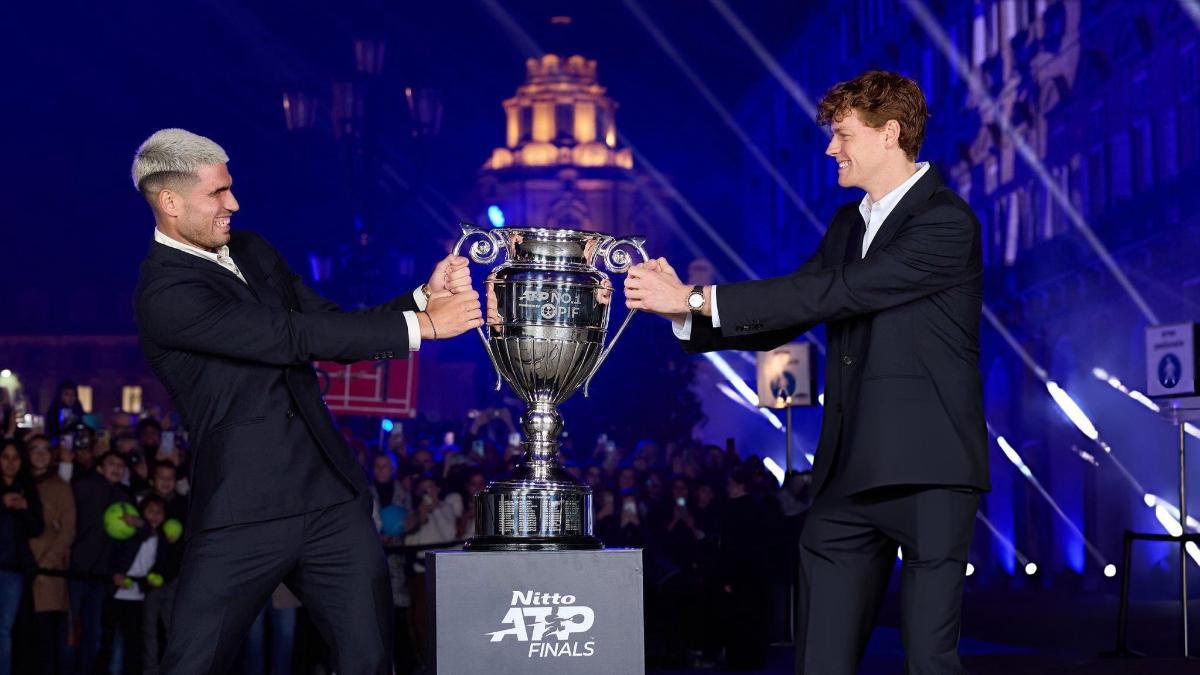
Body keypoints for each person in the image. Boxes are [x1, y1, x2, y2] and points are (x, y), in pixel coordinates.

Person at [626, 70, 987, 674]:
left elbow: (839, 294)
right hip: (846, 473)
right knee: (818, 658)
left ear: (889, 133)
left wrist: (695, 299)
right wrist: (686, 313)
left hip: (929, 470)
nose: (829, 149)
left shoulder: (947, 222)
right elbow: (797, 302)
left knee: (929, 658)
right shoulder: (849, 224)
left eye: (842, 135)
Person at [130, 128, 482, 674]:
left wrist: (420, 297)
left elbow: (329, 327)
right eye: (218, 193)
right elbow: (288, 338)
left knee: (369, 660)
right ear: (170, 202)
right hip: (243, 509)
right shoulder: (165, 295)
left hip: (331, 499)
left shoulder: (251, 248)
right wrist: (425, 327)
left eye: (232, 188)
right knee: (191, 665)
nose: (234, 203)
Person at [28, 435, 75, 675]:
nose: (39, 454)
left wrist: (45, 564)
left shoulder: (60, 486)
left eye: (45, 449)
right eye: (34, 449)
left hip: (49, 573)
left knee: (47, 640)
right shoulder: (21, 484)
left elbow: (68, 531)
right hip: (22, 570)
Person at [0, 440, 44, 675]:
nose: (10, 463)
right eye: (5, 457)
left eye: (15, 457)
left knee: (4, 628)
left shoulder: (26, 487)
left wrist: (25, 508)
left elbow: (37, 528)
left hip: (13, 568)